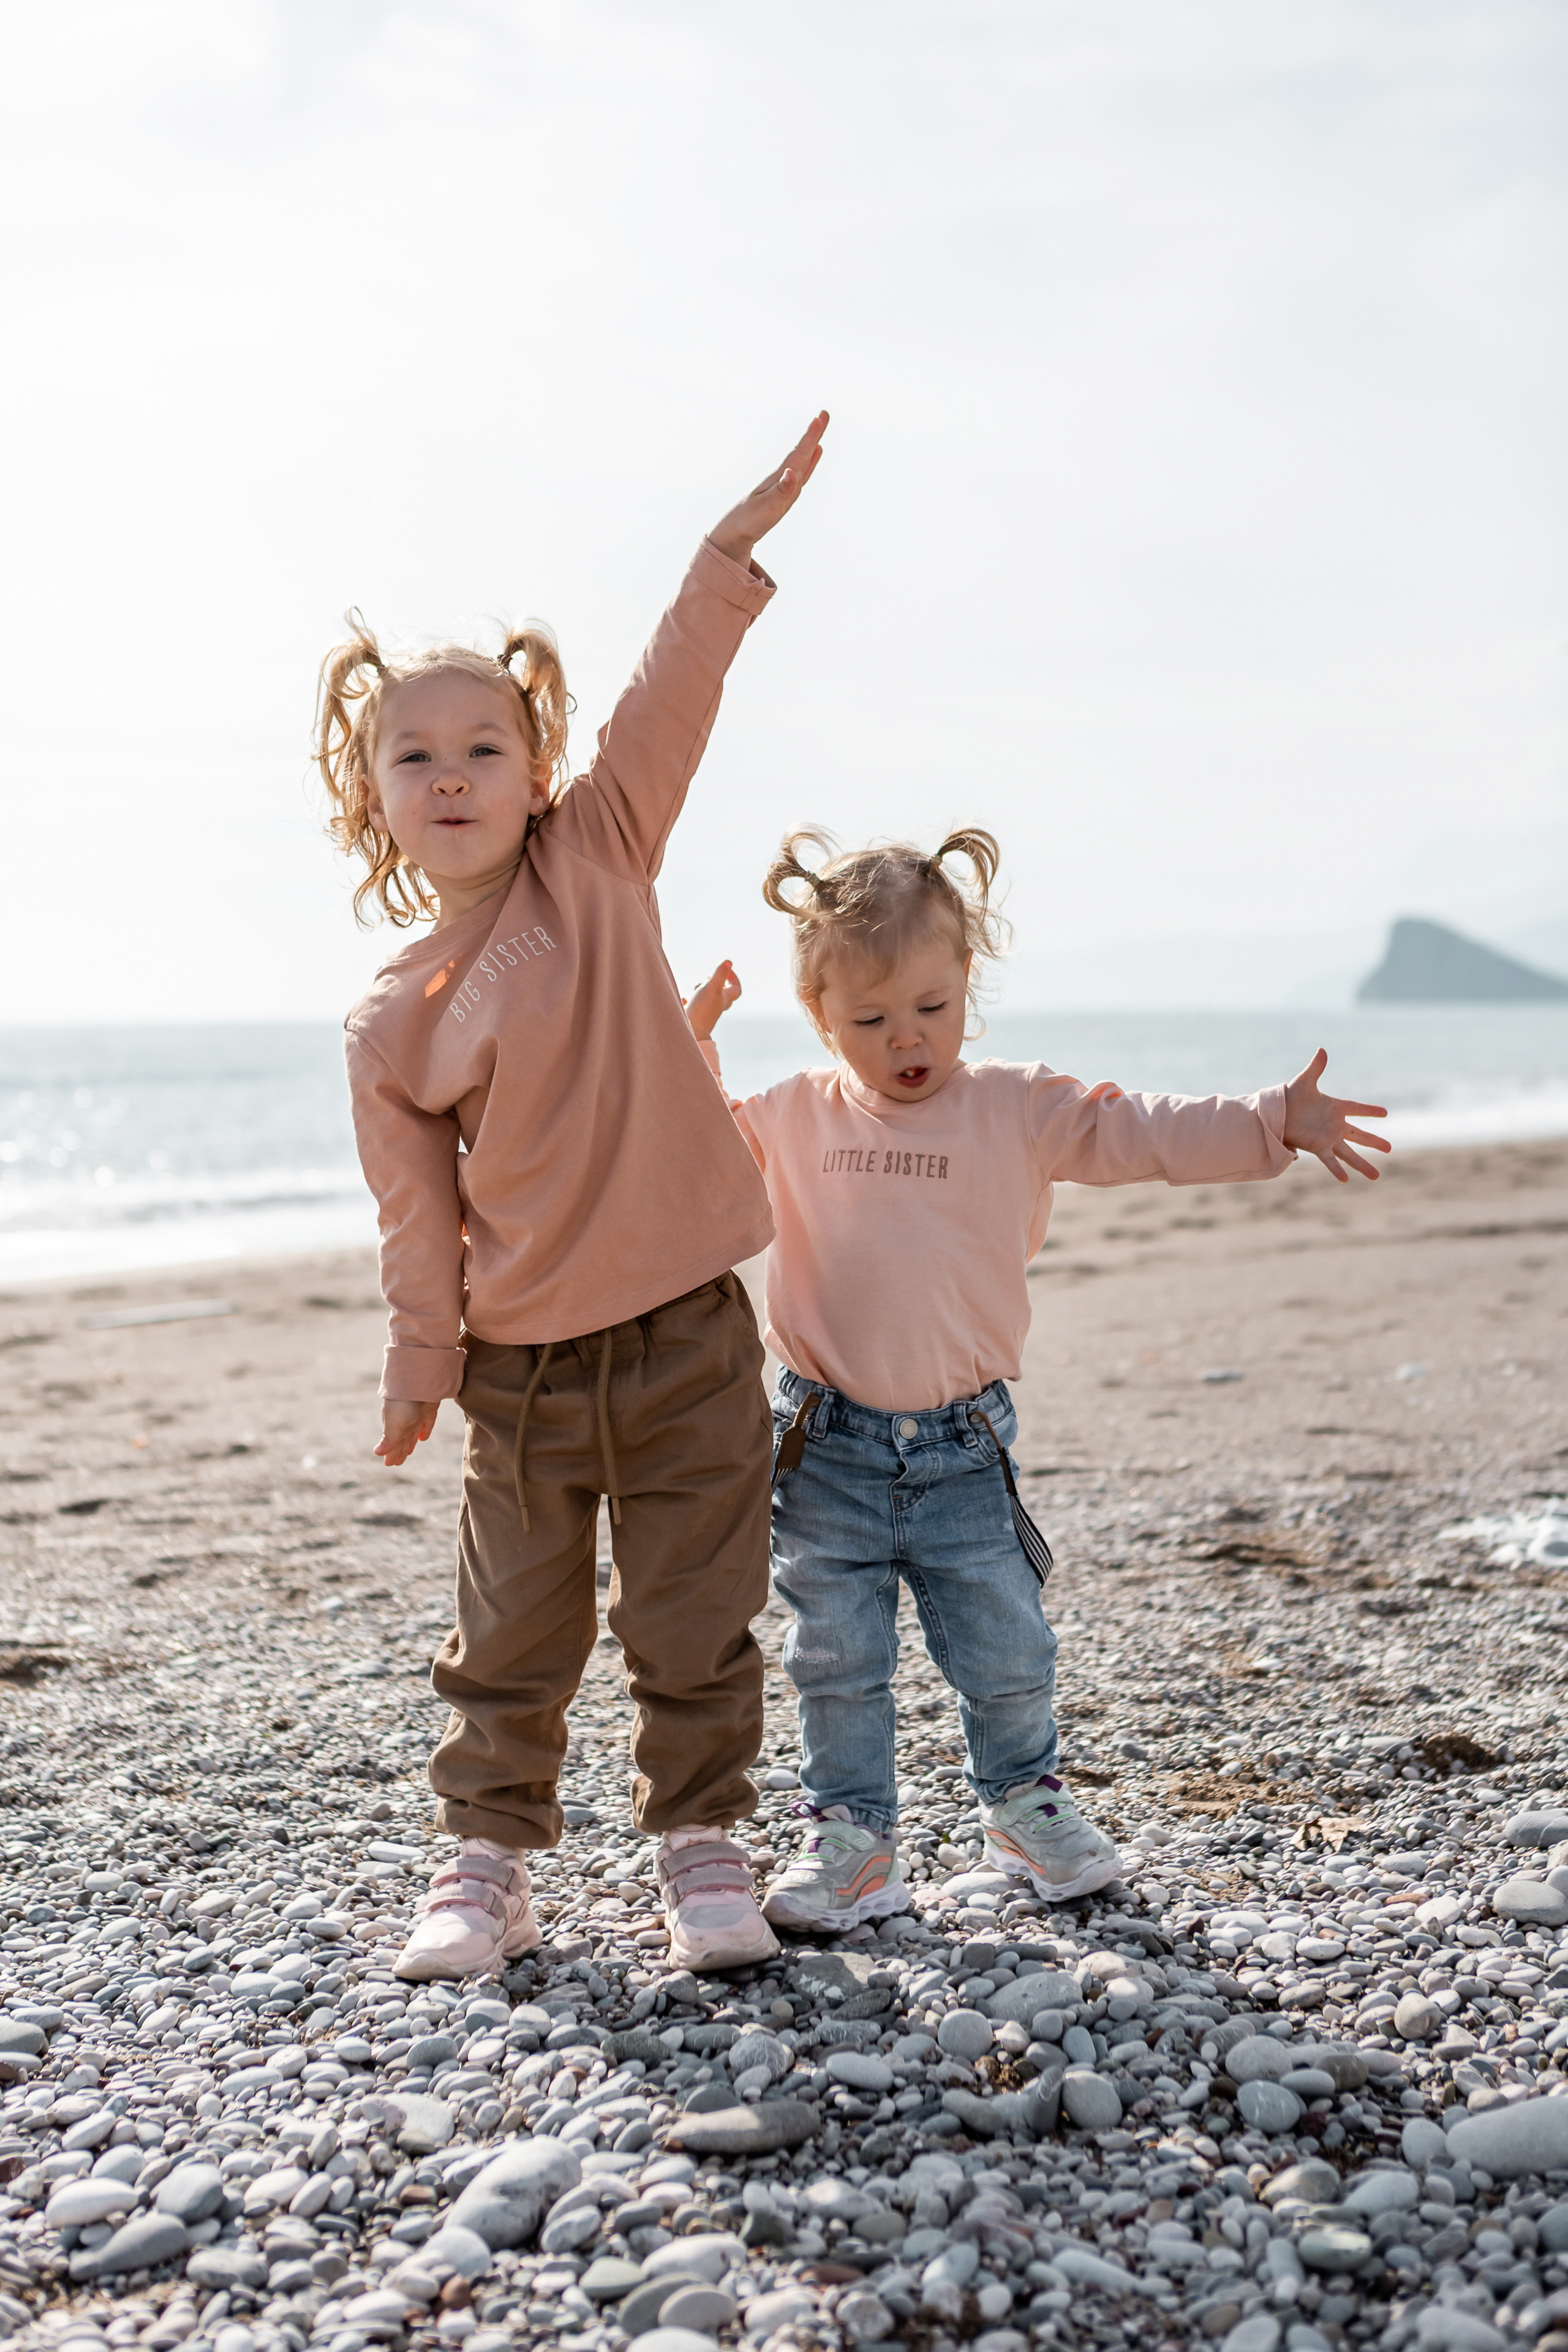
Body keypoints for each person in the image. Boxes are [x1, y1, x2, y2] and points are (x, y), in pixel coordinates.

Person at [317, 414, 829, 1981]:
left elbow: (675, 692)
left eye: (484, 748)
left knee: (695, 1615)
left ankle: (700, 1842)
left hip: (687, 1340)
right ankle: (487, 1860)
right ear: (373, 800)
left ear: (538, 770)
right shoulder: (393, 1016)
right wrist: (421, 1363)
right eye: (416, 755)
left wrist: (720, 560)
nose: (453, 774)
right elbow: (421, 1222)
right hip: (521, 1375)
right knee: (512, 1636)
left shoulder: (596, 855)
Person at [690, 828, 1387, 1931]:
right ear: (823, 1019)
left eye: (932, 1006)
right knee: (835, 1656)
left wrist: (1269, 1122)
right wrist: (690, 1062)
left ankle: (1022, 1802)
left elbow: (1139, 1132)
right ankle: (854, 1836)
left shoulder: (1015, 1106)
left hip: (966, 1447)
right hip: (825, 1447)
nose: (906, 1039)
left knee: (1007, 1644)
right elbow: (679, 1162)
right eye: (869, 1021)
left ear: (969, 982)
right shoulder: (792, 1115)